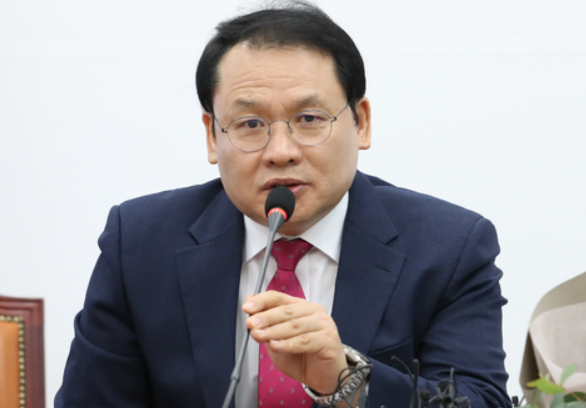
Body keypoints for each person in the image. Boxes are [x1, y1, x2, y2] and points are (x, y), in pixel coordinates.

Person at [55, 2, 511, 408]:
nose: (280, 151)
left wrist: (347, 379)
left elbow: (479, 402)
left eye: (309, 119)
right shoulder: (139, 244)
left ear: (361, 123)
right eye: (250, 124)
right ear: (212, 136)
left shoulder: (449, 247)